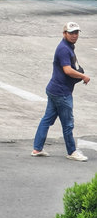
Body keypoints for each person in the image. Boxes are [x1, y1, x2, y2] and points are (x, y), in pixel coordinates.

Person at [31, 22, 90, 162]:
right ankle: (72, 151)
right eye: (71, 33)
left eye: (76, 32)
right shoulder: (64, 49)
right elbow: (67, 70)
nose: (74, 35)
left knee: (46, 120)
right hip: (61, 93)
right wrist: (83, 76)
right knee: (68, 124)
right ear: (64, 34)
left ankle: (37, 148)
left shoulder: (68, 46)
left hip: (54, 89)